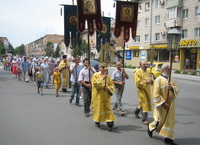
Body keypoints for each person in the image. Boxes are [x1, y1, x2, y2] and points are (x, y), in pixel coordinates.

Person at [147, 63, 179, 145]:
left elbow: (177, 88)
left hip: (171, 104)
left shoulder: (170, 79)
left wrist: (172, 88)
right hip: (162, 104)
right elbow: (155, 94)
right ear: (165, 69)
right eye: (169, 69)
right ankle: (151, 127)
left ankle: (168, 139)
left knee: (170, 121)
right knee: (159, 120)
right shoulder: (158, 80)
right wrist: (163, 103)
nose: (170, 70)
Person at [91, 63, 118, 131]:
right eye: (103, 67)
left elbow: (112, 85)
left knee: (108, 110)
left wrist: (108, 88)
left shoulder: (108, 77)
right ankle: (97, 121)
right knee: (99, 110)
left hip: (106, 97)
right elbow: (95, 84)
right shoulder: (95, 75)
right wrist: (102, 79)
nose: (104, 69)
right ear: (99, 68)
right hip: (98, 97)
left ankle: (110, 124)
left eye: (105, 67)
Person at [134, 60, 153, 125]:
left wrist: (151, 80)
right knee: (145, 104)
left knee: (141, 104)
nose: (145, 65)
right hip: (141, 90)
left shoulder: (148, 71)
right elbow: (138, 83)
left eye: (146, 64)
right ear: (140, 65)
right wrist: (146, 82)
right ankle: (144, 119)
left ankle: (136, 112)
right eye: (144, 64)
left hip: (147, 90)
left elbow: (151, 80)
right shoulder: (138, 72)